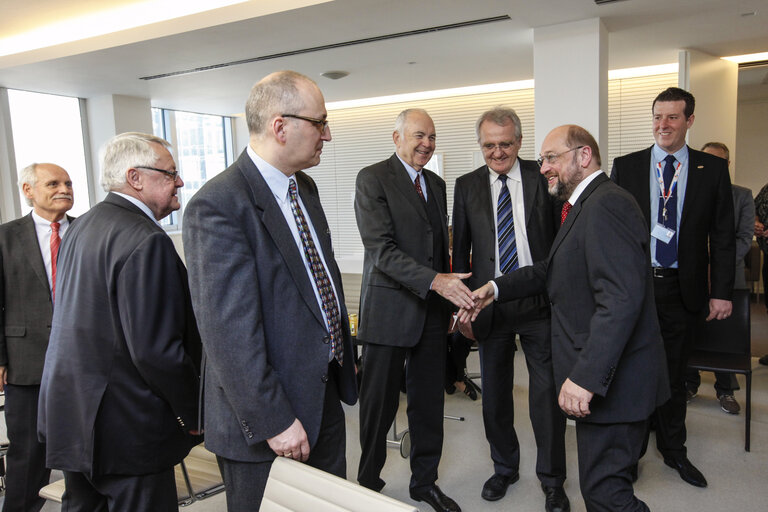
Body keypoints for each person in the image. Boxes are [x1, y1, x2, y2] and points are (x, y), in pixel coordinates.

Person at [463, 124, 669, 512]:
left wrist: (585, 378)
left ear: (583, 156)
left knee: (607, 495)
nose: (543, 168)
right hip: (608, 380)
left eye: (551, 158)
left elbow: (621, 301)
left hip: (616, 384)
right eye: (542, 160)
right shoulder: (582, 205)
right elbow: (550, 269)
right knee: (599, 490)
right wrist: (494, 288)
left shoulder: (607, 204)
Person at [183, 71, 358, 511]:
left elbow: (315, 286)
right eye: (319, 123)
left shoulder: (305, 188)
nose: (328, 135)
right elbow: (228, 334)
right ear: (280, 126)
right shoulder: (218, 204)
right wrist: (275, 420)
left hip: (322, 396)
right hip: (268, 421)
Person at [37, 133, 202, 512]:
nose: (178, 182)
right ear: (136, 177)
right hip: (127, 425)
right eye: (170, 173)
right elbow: (156, 350)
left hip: (77, 417)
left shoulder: (84, 225)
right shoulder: (145, 239)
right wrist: (194, 412)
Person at [611, 87, 735, 488]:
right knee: (632, 373)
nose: (663, 125)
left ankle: (674, 450)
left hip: (683, 290)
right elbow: (612, 233)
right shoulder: (626, 167)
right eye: (657, 117)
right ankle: (630, 456)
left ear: (689, 121)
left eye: (672, 118)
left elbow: (723, 236)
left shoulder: (710, 169)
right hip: (637, 289)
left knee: (675, 375)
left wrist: (722, 292)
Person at [355, 108, 474, 512]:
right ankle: (367, 482)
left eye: (432, 137)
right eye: (419, 135)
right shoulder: (372, 179)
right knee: (378, 408)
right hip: (388, 314)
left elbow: (437, 247)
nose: (426, 144)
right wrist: (436, 280)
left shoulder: (437, 185)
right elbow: (381, 250)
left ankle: (425, 483)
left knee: (428, 407)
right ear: (397, 137)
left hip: (430, 316)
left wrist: (451, 293)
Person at [451, 107, 568, 511]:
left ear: (519, 142)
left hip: (537, 301)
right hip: (487, 304)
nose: (497, 152)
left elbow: (558, 246)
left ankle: (553, 479)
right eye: (488, 145)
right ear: (480, 145)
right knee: (495, 395)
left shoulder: (543, 177)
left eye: (504, 144)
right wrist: (463, 308)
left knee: (546, 394)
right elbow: (461, 253)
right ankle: (504, 468)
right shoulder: (465, 186)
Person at [0, 163, 73, 512]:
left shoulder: (89, 230)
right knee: (28, 456)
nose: (64, 189)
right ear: (28, 190)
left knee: (84, 451)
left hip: (84, 364)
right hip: (26, 362)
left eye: (68, 183)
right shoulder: (5, 237)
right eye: (53, 183)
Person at [684, 142, 753, 414]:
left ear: (726, 165)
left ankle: (725, 390)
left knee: (724, 335)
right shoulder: (689, 193)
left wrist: (718, 266)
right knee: (694, 332)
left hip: (727, 280)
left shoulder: (742, 195)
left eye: (718, 161)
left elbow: (745, 238)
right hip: (693, 278)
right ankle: (690, 383)